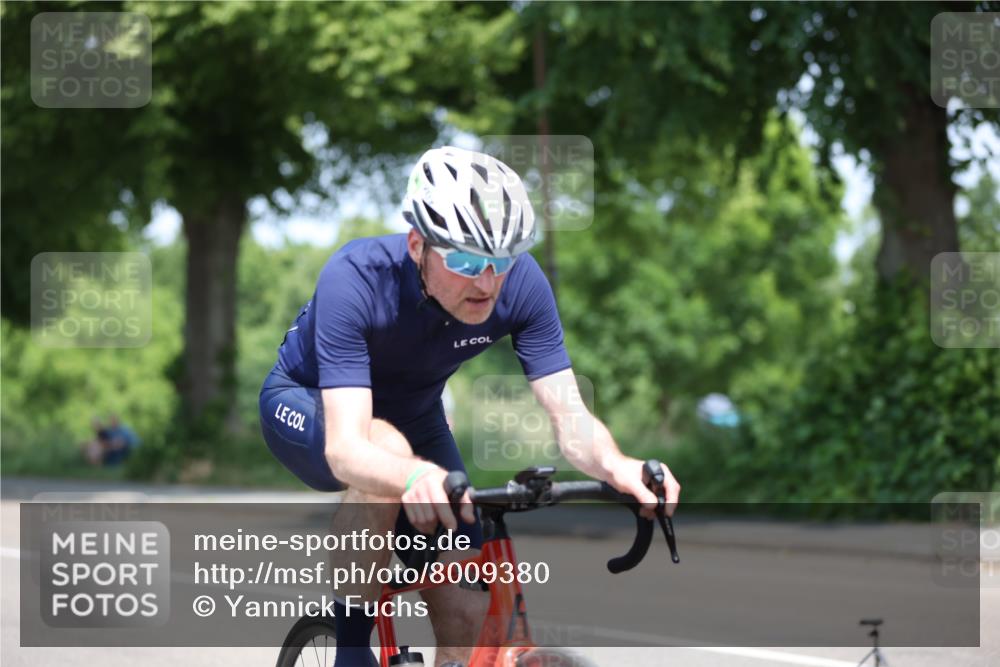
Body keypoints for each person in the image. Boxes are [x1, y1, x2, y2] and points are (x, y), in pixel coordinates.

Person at [258, 146, 681, 667]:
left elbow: (571, 419)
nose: (486, 282)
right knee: (382, 449)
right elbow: (348, 448)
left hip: (417, 417)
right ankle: (351, 652)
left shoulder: (521, 286)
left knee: (465, 614)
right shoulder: (356, 278)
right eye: (464, 260)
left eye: (500, 262)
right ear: (418, 245)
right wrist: (410, 477)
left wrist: (618, 466)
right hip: (308, 404)